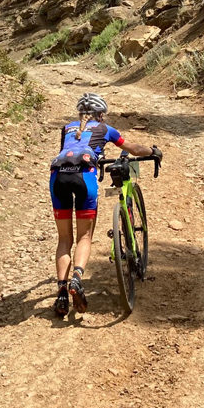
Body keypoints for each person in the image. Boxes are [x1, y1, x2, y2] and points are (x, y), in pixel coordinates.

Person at [49, 92, 162, 316]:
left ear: (80, 113)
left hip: (58, 177)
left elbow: (70, 150)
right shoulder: (106, 129)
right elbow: (133, 149)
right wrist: (154, 152)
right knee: (84, 237)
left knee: (64, 239)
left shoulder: (67, 128)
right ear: (101, 115)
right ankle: (76, 280)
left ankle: (62, 292)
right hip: (84, 178)